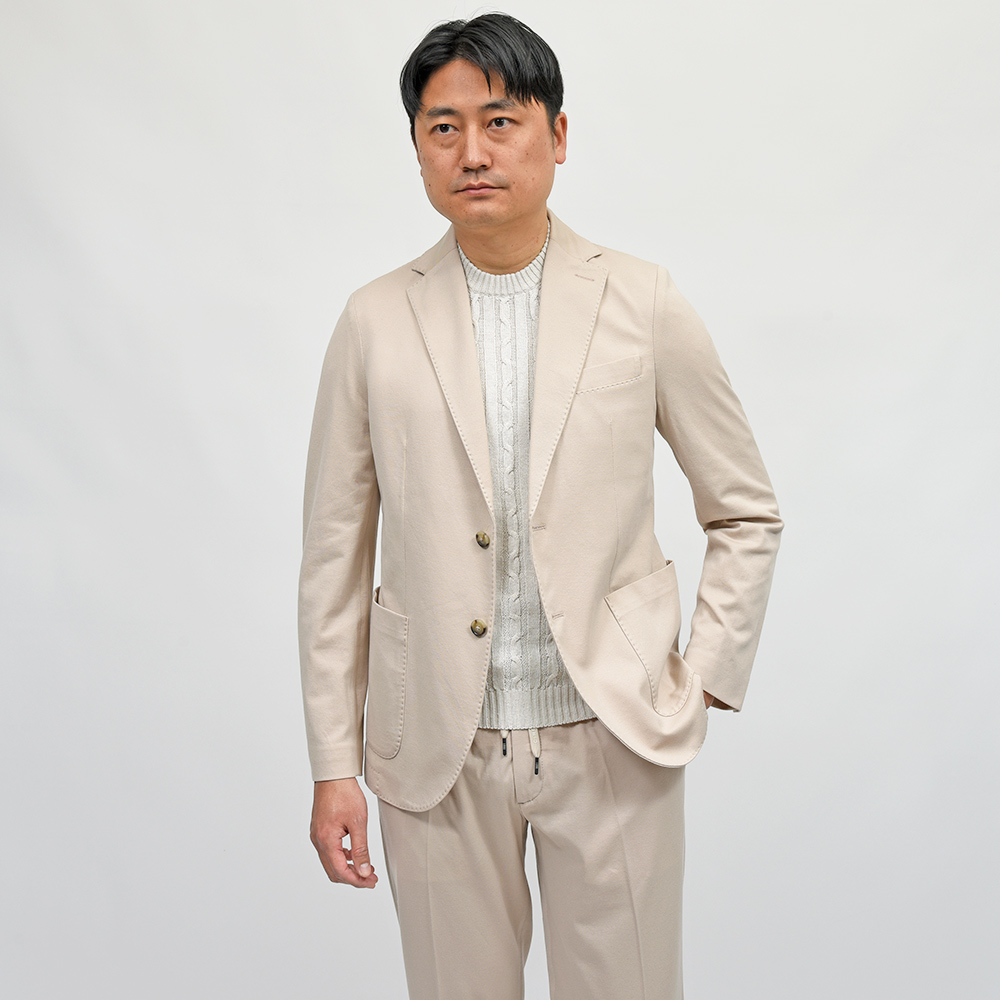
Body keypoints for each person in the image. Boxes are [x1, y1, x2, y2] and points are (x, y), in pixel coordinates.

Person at [298, 12, 783, 1000]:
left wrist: (700, 676)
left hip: (613, 735)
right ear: (417, 147)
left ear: (556, 136)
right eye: (443, 128)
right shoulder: (373, 320)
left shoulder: (643, 300)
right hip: (434, 749)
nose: (472, 153)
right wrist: (333, 762)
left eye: (500, 121)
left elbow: (744, 510)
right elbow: (333, 560)